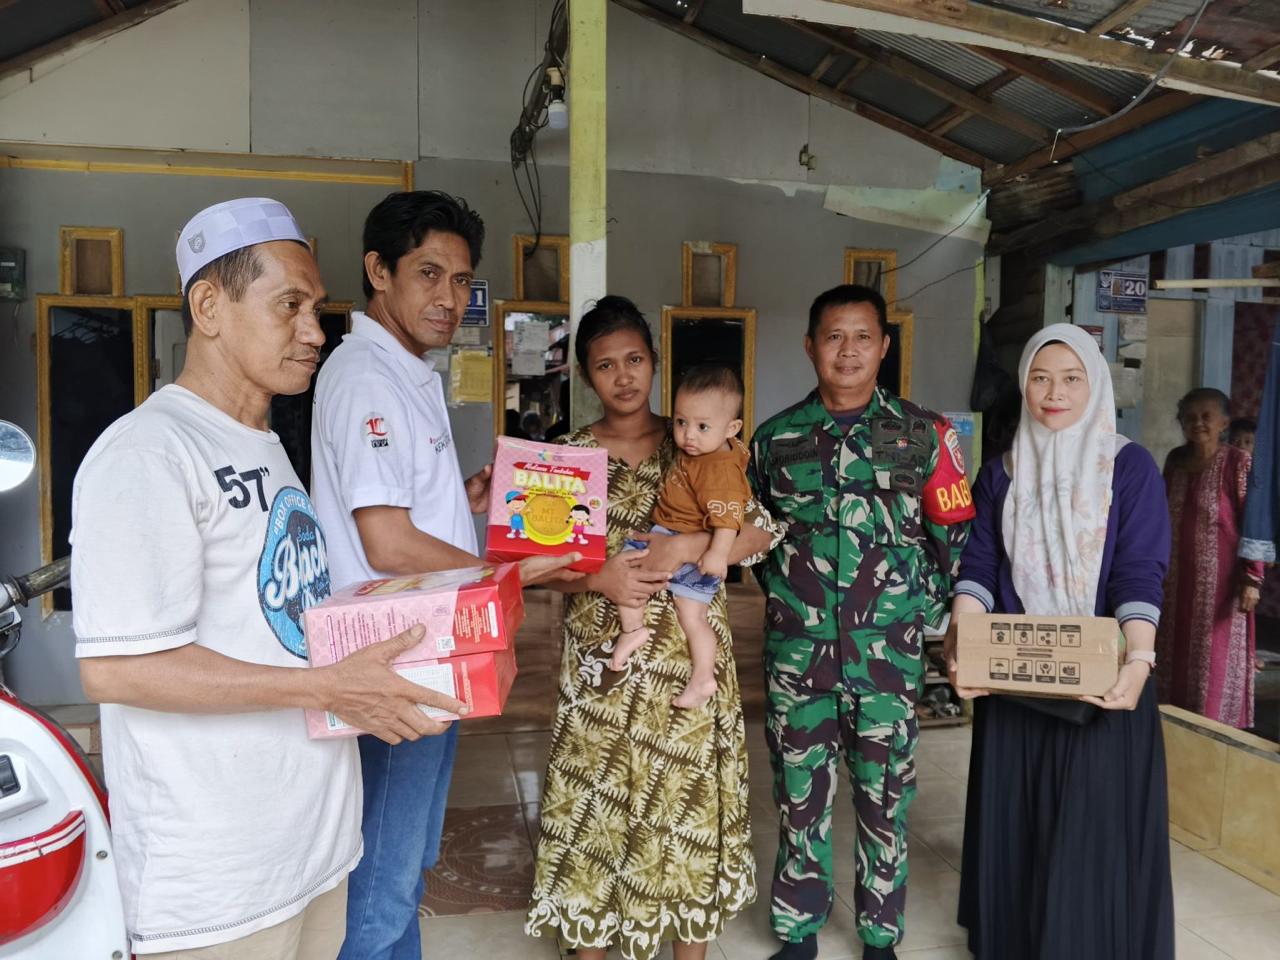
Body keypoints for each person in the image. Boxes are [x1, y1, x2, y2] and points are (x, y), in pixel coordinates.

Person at [71, 198, 469, 959]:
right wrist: (327, 688)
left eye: (316, 308)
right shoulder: (148, 454)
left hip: (313, 854)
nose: (315, 331)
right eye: (290, 305)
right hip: (220, 887)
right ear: (210, 305)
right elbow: (116, 667)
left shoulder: (264, 446)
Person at [309, 190, 578, 960]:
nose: (448, 298)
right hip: (394, 665)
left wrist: (463, 503)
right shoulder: (366, 377)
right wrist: (509, 572)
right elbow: (388, 543)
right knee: (382, 884)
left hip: (426, 657)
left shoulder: (404, 372)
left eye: (461, 281)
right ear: (378, 271)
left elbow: (401, 515)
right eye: (428, 273)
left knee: (406, 865)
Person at [525, 295, 778, 960]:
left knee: (683, 827)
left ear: (655, 363)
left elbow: (761, 532)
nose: (624, 376)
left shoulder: (699, 436)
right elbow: (535, 566)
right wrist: (595, 579)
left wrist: (689, 549)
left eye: (635, 359)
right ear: (586, 376)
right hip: (601, 676)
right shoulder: (565, 458)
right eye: (605, 365)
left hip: (685, 681)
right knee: (593, 826)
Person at [748, 284, 974, 960]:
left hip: (889, 660)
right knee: (798, 795)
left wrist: (913, 611)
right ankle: (797, 928)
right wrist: (798, 600)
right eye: (833, 336)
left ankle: (880, 935)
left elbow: (953, 536)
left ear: (884, 344)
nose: (848, 351)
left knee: (885, 799)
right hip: (799, 659)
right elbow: (753, 540)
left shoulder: (925, 434)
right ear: (811, 344)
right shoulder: (774, 440)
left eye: (862, 336)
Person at [946, 323, 1174, 959]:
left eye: (1072, 378)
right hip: (1016, 681)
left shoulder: (1127, 468)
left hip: (1104, 682)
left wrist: (1140, 659)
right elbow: (980, 566)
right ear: (1024, 385)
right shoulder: (1003, 471)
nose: (1054, 392)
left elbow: (1139, 569)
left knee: (1090, 831)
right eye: (1041, 378)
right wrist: (964, 634)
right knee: (1019, 825)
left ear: (1095, 384)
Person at [610, 363, 752, 709]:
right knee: (694, 618)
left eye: (703, 426)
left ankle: (633, 630)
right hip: (679, 536)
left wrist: (717, 555)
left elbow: (728, 517)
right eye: (681, 422)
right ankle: (703, 676)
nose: (688, 435)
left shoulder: (719, 468)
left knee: (626, 570)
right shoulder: (708, 452)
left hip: (680, 538)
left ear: (732, 428)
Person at [1156, 388, 1263, 729]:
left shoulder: (1238, 462)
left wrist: (1252, 578)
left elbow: (1254, 522)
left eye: (1206, 416)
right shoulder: (1174, 460)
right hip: (1173, 586)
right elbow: (1159, 517)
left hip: (1220, 588)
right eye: (1189, 416)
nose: (1197, 423)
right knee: (1173, 665)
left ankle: (1213, 742)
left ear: (1224, 422)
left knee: (1211, 667)